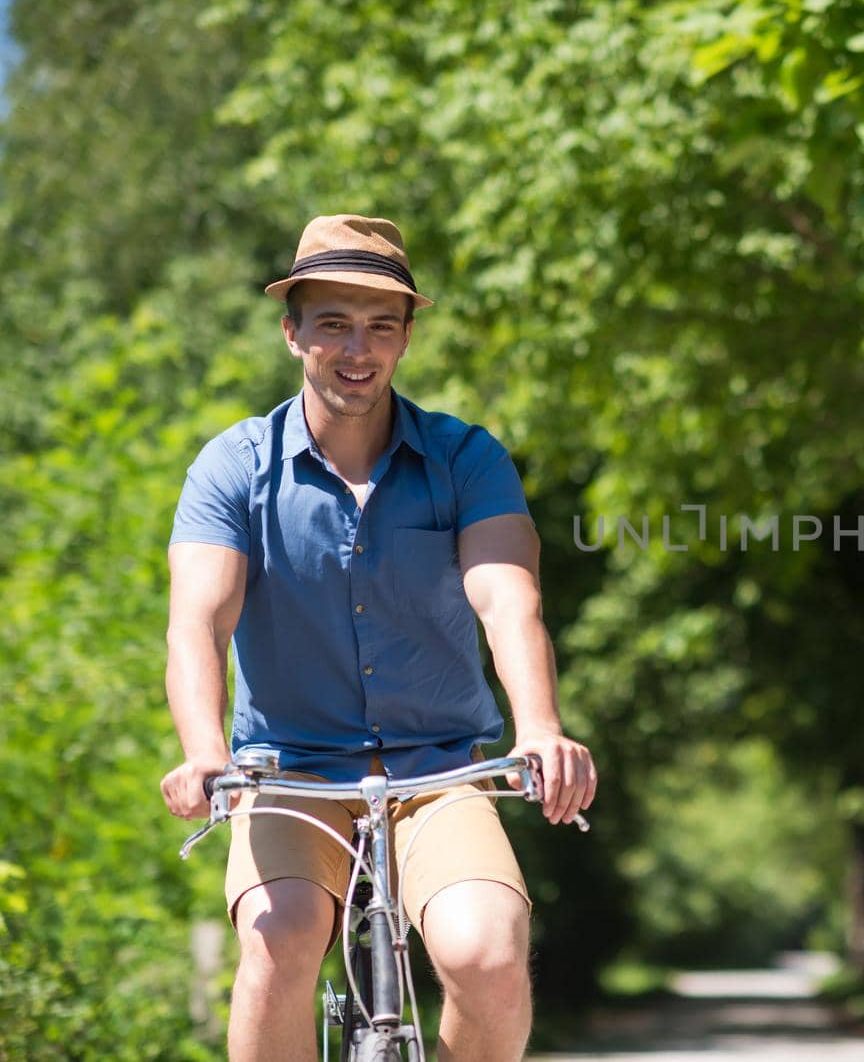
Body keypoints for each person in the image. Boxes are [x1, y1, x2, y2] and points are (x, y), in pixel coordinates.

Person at [159, 214, 597, 1062]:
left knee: (489, 951)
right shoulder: (233, 467)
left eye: (381, 327)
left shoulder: (466, 459)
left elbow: (509, 602)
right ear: (293, 332)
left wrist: (539, 727)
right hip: (289, 772)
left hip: (440, 771)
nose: (357, 349)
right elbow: (199, 619)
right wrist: (204, 748)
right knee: (279, 943)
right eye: (333, 323)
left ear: (404, 340)